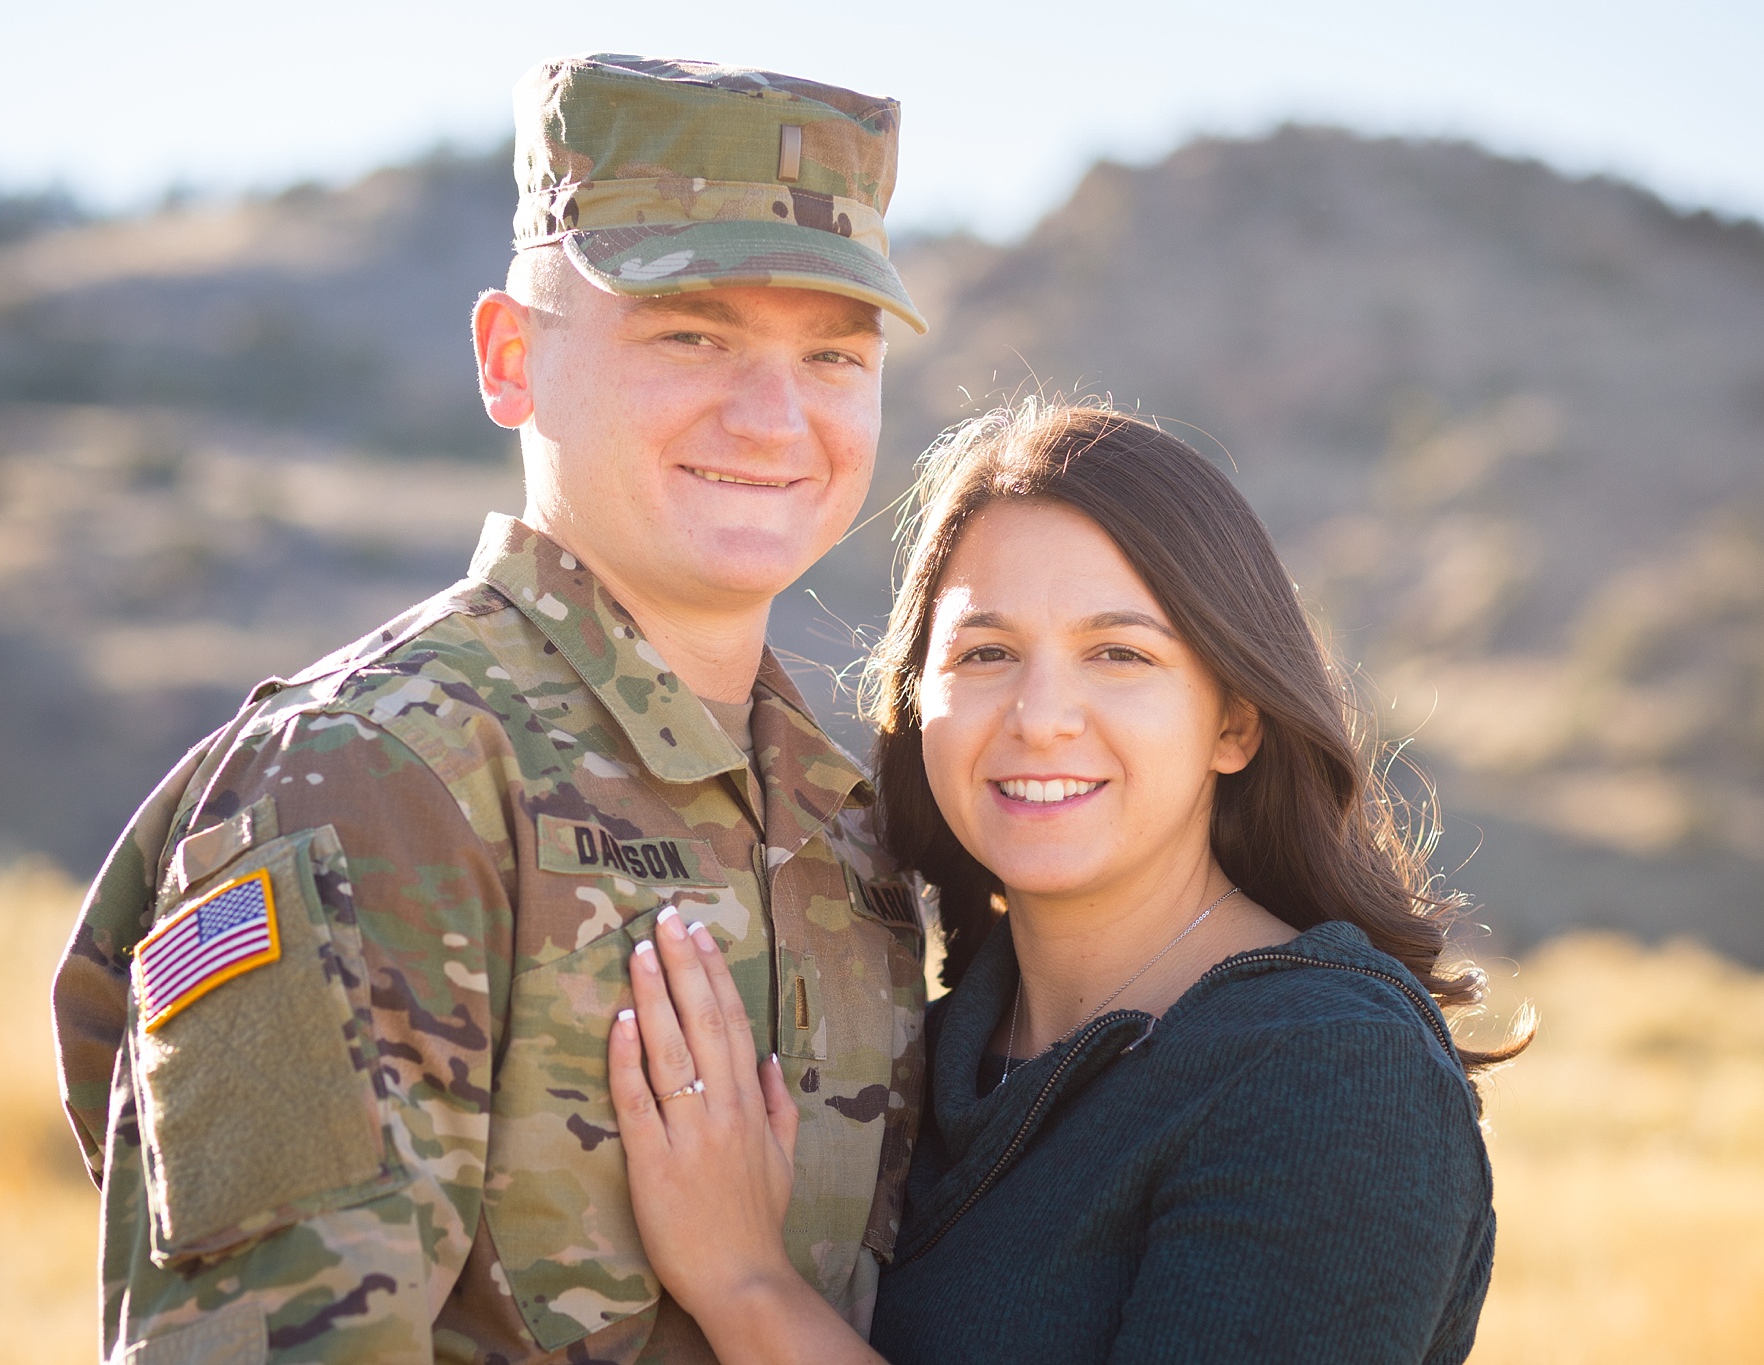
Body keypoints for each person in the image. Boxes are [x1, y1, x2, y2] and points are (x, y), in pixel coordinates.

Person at [50, 54, 931, 1364]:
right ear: (510, 358)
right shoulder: (372, 778)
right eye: (691, 333)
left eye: (832, 353)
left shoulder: (847, 826)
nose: (772, 416)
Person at [606, 402, 1530, 1364]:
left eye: (1119, 653)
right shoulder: (916, 1051)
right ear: (920, 703)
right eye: (986, 653)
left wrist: (745, 1284)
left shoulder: (1333, 1073)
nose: (1040, 717)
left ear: (1235, 724)